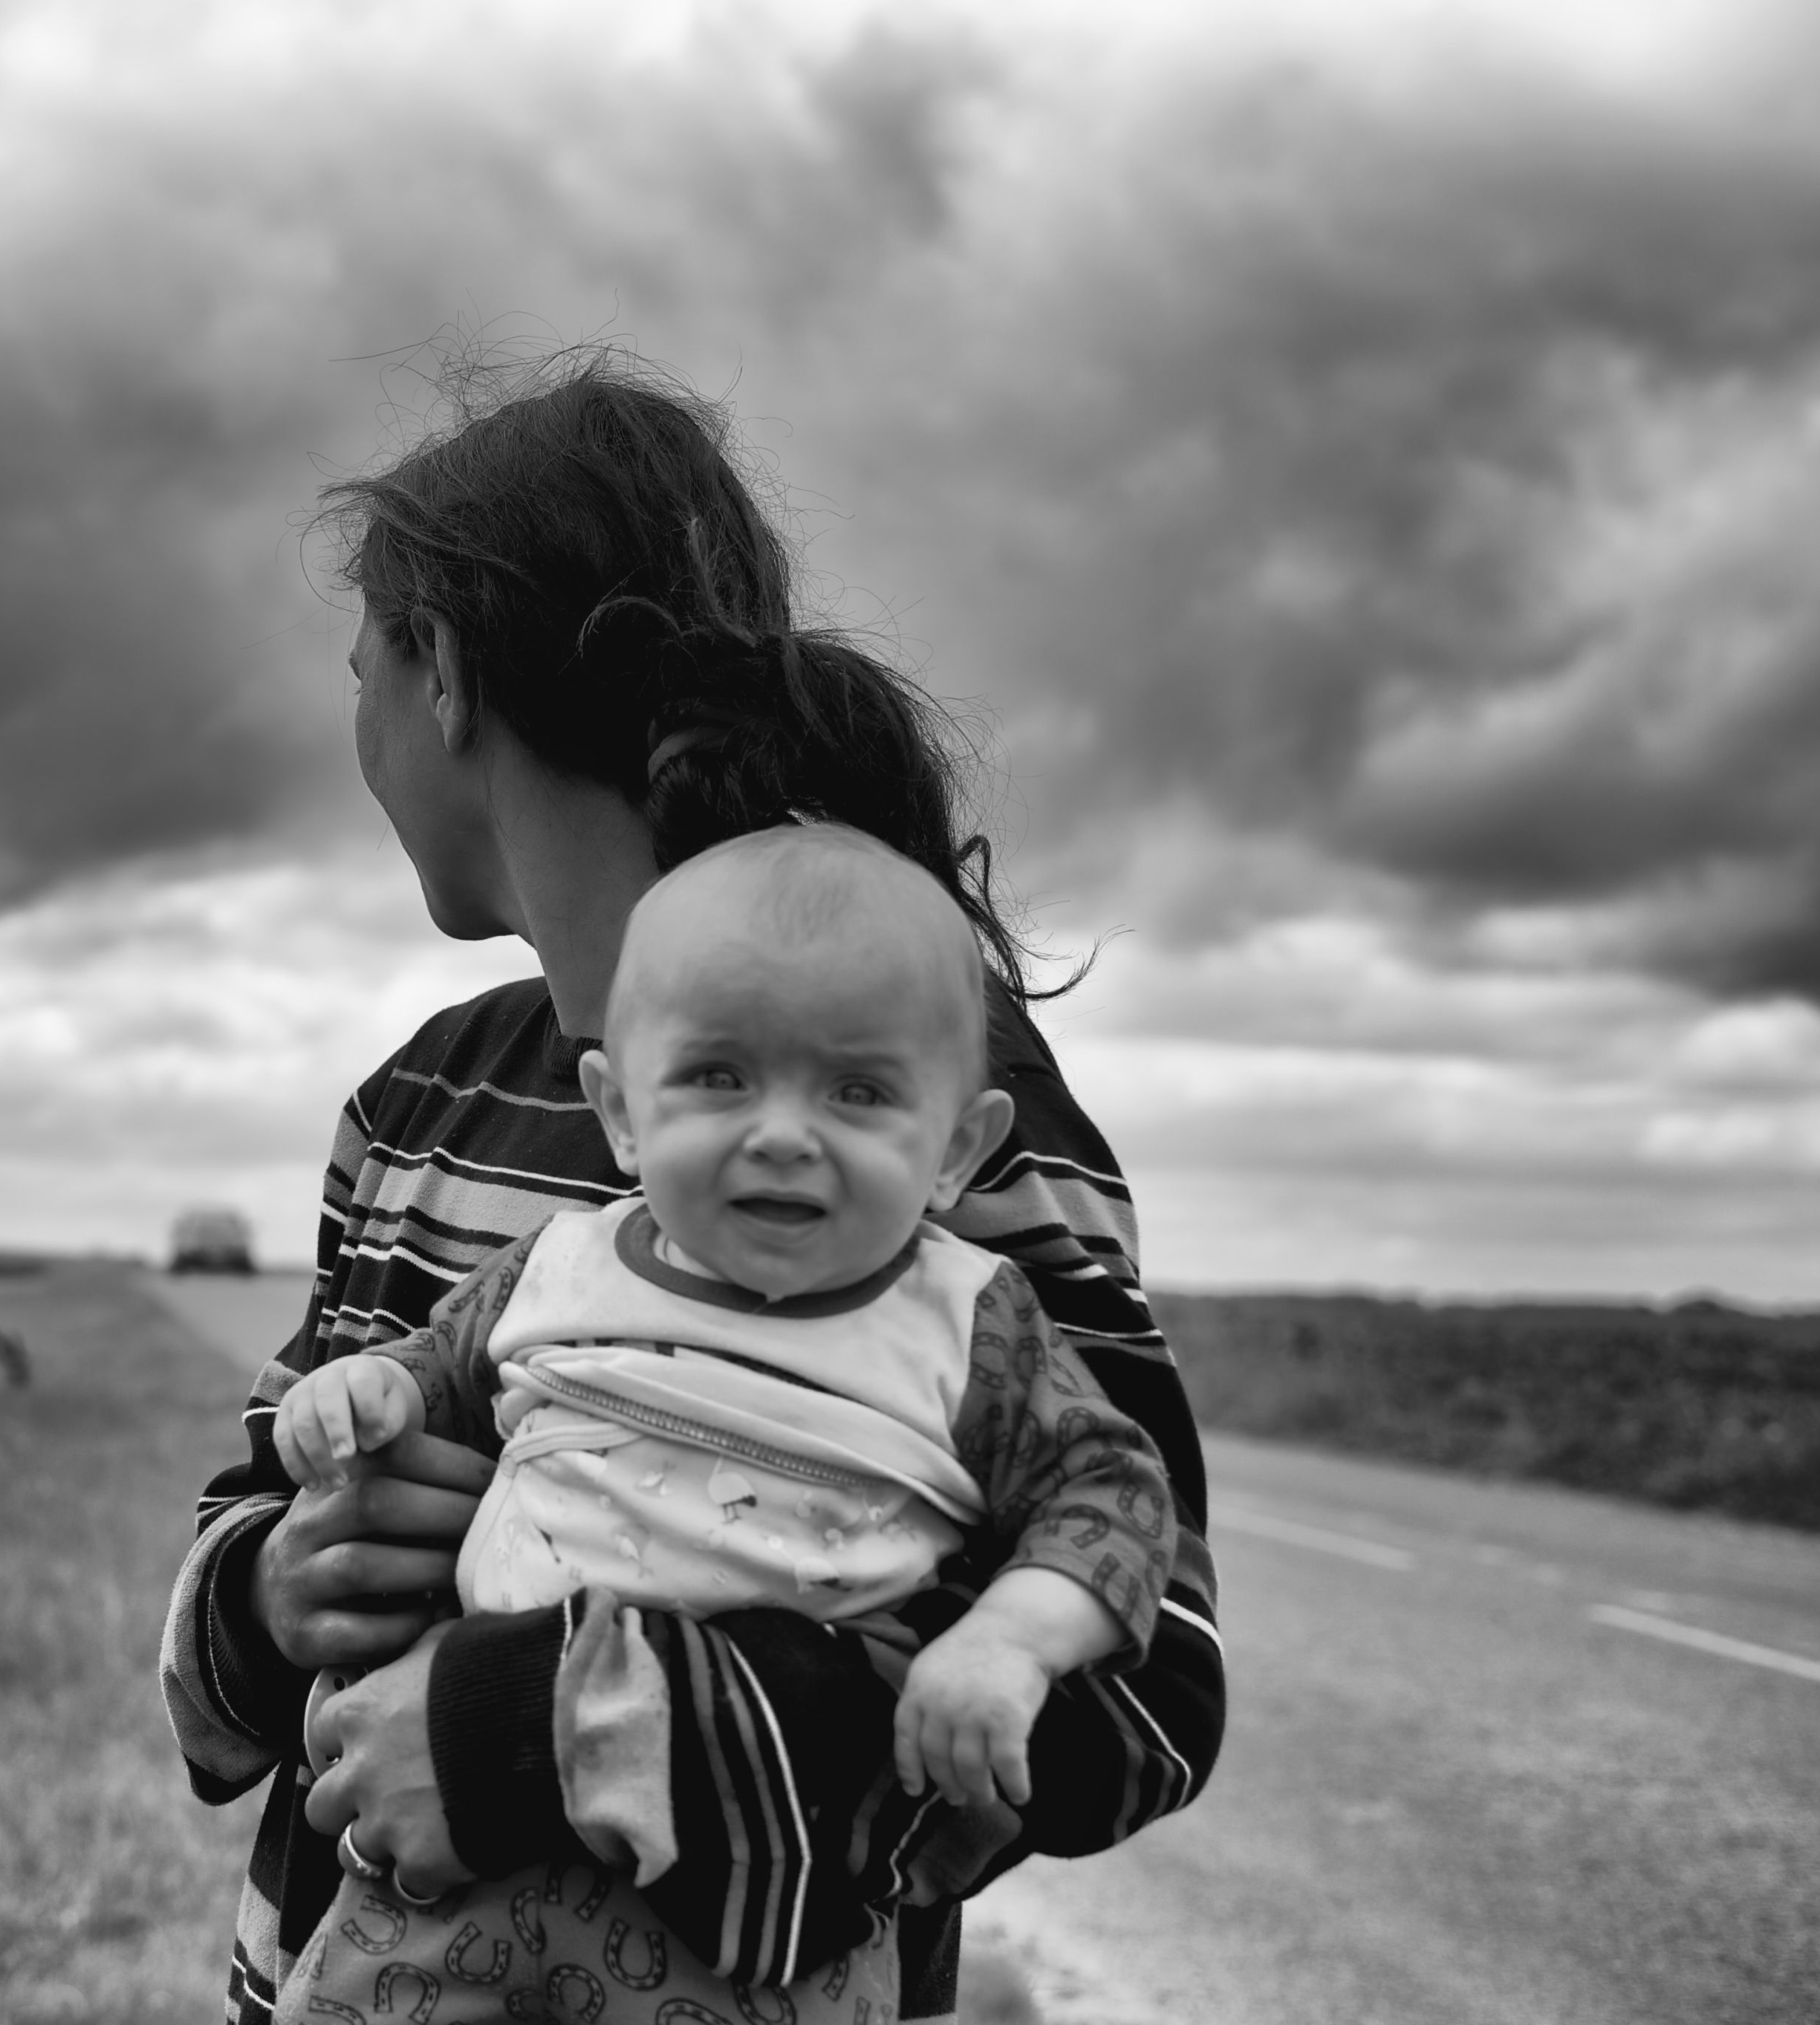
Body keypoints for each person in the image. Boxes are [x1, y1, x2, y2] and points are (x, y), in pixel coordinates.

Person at [159, 350, 1225, 2025]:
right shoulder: (419, 1103)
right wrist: (277, 1584)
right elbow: (247, 1525)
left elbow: (1149, 1681)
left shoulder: (945, 1095)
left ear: (437, 678)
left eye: (357, 666)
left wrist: (537, 1729)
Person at [264, 824, 1177, 2023]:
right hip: (444, 1871)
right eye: (720, 1076)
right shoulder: (556, 1265)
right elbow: (435, 1368)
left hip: (764, 1920)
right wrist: (359, 1394)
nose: (784, 1130)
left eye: (857, 1089)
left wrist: (1009, 1638)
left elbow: (1115, 1492)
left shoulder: (969, 1324)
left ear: (957, 1147)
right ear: (622, 1112)